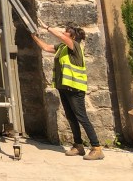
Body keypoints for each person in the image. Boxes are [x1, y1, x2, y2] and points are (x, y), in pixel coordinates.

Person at [30, 23, 104, 161]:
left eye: (66, 32)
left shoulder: (74, 46)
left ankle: (97, 147)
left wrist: (46, 27)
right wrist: (34, 37)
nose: (63, 33)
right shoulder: (63, 48)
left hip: (75, 89)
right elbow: (46, 47)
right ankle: (78, 145)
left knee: (82, 117)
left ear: (73, 36)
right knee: (71, 116)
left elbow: (59, 35)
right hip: (64, 88)